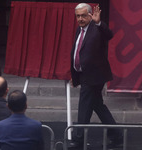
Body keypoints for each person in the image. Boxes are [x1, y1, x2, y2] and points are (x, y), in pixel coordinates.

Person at [70, 3, 122, 149]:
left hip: (94, 76)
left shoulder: (96, 28)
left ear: (90, 15)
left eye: (83, 15)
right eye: (78, 16)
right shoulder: (79, 30)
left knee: (84, 106)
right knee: (98, 106)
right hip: (84, 74)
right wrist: (75, 73)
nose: (80, 19)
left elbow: (109, 35)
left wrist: (99, 23)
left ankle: (78, 140)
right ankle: (117, 136)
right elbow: (78, 52)